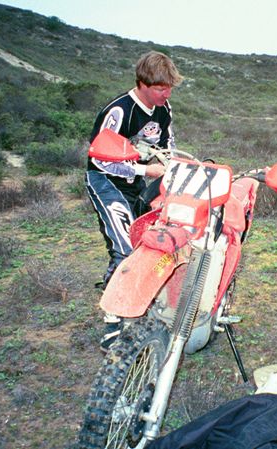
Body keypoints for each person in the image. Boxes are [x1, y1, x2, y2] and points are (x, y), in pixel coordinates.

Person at [86, 51, 183, 347]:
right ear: (142, 83)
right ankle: (113, 324)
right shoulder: (120, 110)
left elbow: (167, 145)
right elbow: (100, 159)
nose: (166, 94)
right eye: (160, 88)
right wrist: (145, 169)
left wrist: (172, 165)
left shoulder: (163, 108)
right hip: (106, 181)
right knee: (124, 245)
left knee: (145, 237)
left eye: (169, 88)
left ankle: (126, 289)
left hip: (135, 182)